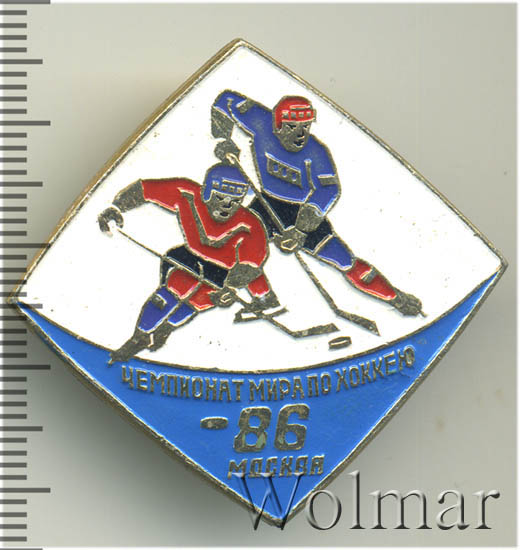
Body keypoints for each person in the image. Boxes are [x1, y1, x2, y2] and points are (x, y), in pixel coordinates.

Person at [211, 91, 422, 316]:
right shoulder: (259, 121)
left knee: (344, 261)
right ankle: (263, 297)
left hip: (303, 212)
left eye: (306, 126)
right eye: (292, 127)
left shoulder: (316, 152)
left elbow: (329, 190)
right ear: (278, 125)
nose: (301, 134)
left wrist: (301, 231)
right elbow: (224, 101)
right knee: (239, 248)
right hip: (266, 203)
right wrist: (223, 140)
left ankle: (396, 298)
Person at [98, 162, 279, 363]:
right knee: (176, 287)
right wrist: (116, 207)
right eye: (220, 197)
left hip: (224, 272)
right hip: (187, 258)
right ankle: (140, 336)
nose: (227, 206)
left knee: (200, 300)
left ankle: (166, 328)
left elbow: (249, 267)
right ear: (207, 191)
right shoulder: (186, 194)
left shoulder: (250, 225)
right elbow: (145, 190)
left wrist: (229, 289)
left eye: (234, 201)